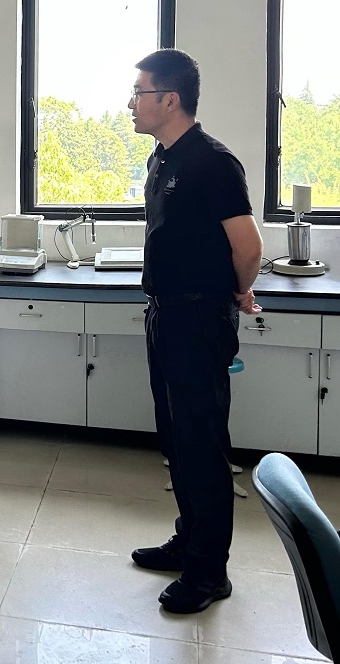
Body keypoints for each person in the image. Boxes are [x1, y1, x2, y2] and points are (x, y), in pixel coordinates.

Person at [128, 49, 263, 614]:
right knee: (176, 438)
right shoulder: (162, 159)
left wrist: (236, 291)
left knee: (202, 443)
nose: (130, 104)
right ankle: (189, 540)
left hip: (199, 318)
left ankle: (210, 573)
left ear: (169, 99)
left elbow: (248, 247)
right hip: (165, 313)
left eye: (138, 93)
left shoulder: (213, 162)